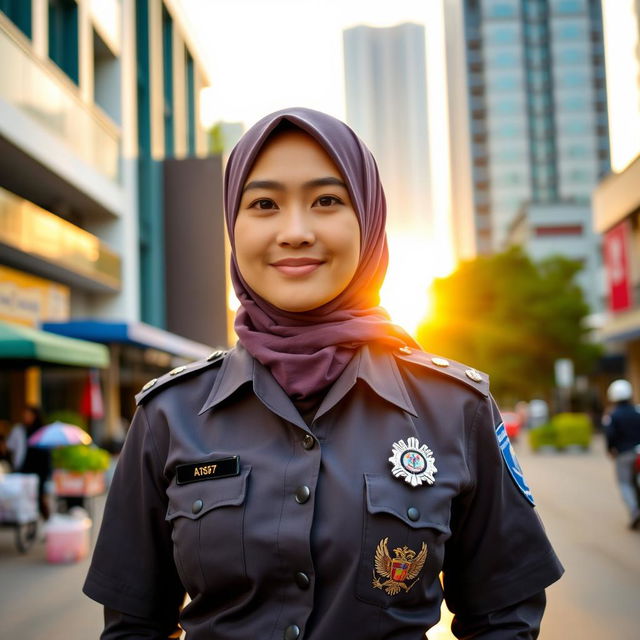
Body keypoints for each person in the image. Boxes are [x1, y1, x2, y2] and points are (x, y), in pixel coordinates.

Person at [83, 108, 563, 639]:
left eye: (327, 201)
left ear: (370, 220)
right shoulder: (169, 414)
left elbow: (504, 619)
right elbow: (133, 627)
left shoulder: (455, 407)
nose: (295, 231)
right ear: (232, 226)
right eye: (264, 203)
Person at [603, 379, 640, 529]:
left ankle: (634, 510)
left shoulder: (613, 415)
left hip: (624, 454)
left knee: (625, 484)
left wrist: (610, 450)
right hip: (639, 452)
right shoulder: (637, 411)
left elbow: (610, 435)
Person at [8, 405, 51, 520]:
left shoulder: (42, 430)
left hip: (40, 469)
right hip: (24, 468)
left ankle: (45, 521)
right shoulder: (20, 430)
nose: (26, 417)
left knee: (39, 497)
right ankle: (31, 522)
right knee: (25, 499)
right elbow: (11, 447)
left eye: (29, 414)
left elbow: (46, 454)